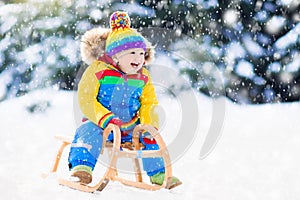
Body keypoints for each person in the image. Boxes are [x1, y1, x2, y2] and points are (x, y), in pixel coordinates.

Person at [68, 11, 181, 188]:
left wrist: (149, 123)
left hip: (129, 126)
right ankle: (82, 168)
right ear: (115, 56)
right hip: (101, 123)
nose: (138, 58)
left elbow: (149, 102)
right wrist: (104, 117)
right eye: (132, 53)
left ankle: (159, 174)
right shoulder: (98, 70)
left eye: (142, 53)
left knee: (150, 137)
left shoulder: (143, 76)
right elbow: (86, 98)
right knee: (87, 131)